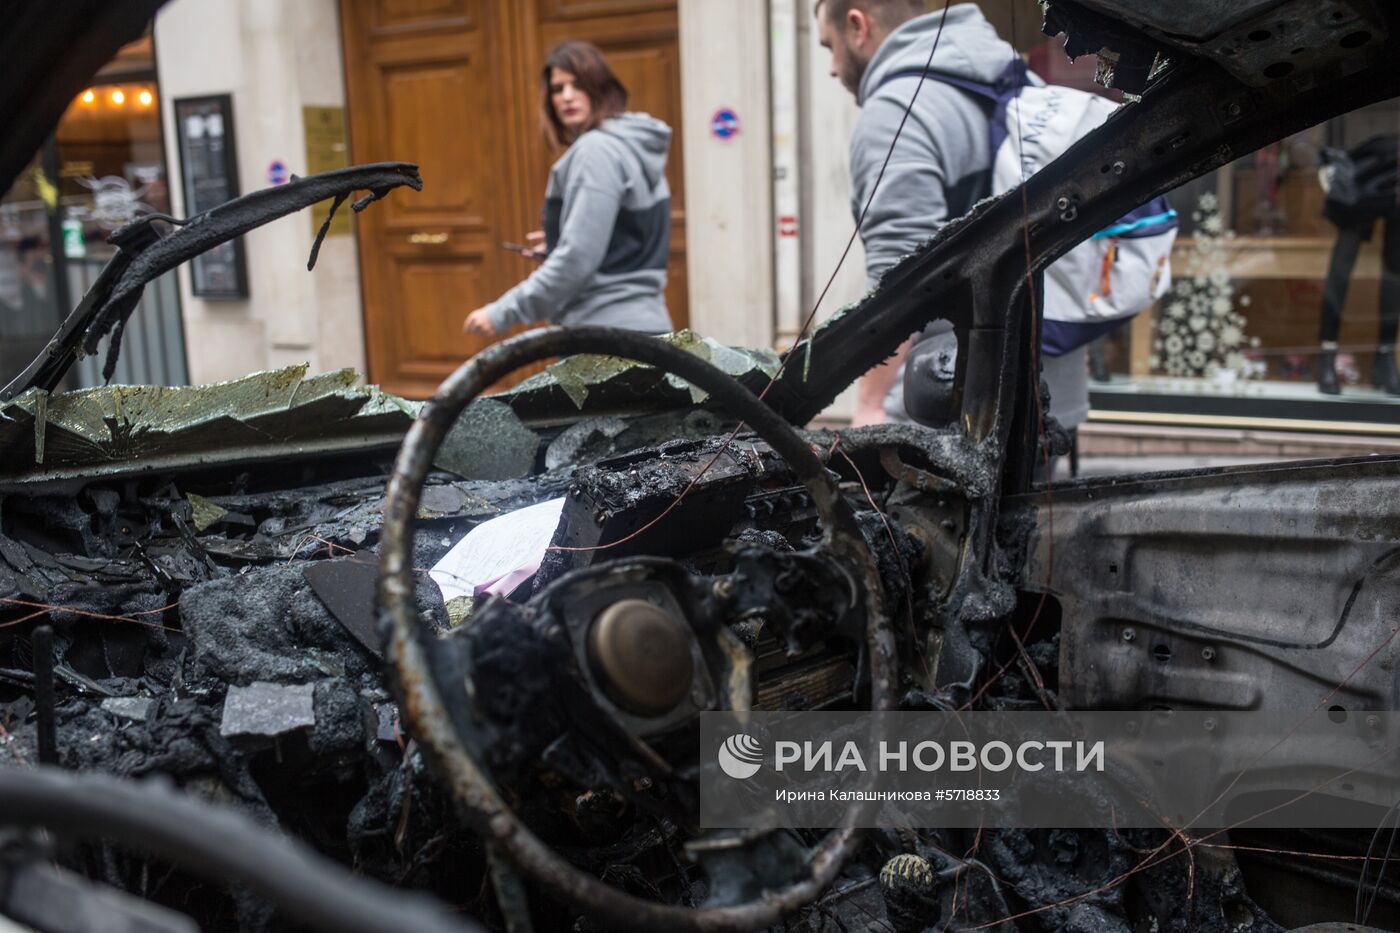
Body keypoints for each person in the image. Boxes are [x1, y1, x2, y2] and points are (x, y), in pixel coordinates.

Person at [816, 0, 1089, 451]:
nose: (831, 67)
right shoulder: (1013, 76)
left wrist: (869, 404)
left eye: (830, 46)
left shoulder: (897, 112)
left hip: (950, 407)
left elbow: (899, 279)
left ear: (857, 25)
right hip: (1050, 391)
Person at [463, 41, 673, 337]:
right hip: (648, 330)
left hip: (605, 340)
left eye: (578, 84)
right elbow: (629, 242)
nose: (567, 96)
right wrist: (558, 242)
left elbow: (576, 261)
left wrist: (501, 312)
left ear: (601, 88)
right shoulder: (633, 147)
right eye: (558, 88)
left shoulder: (595, 151)